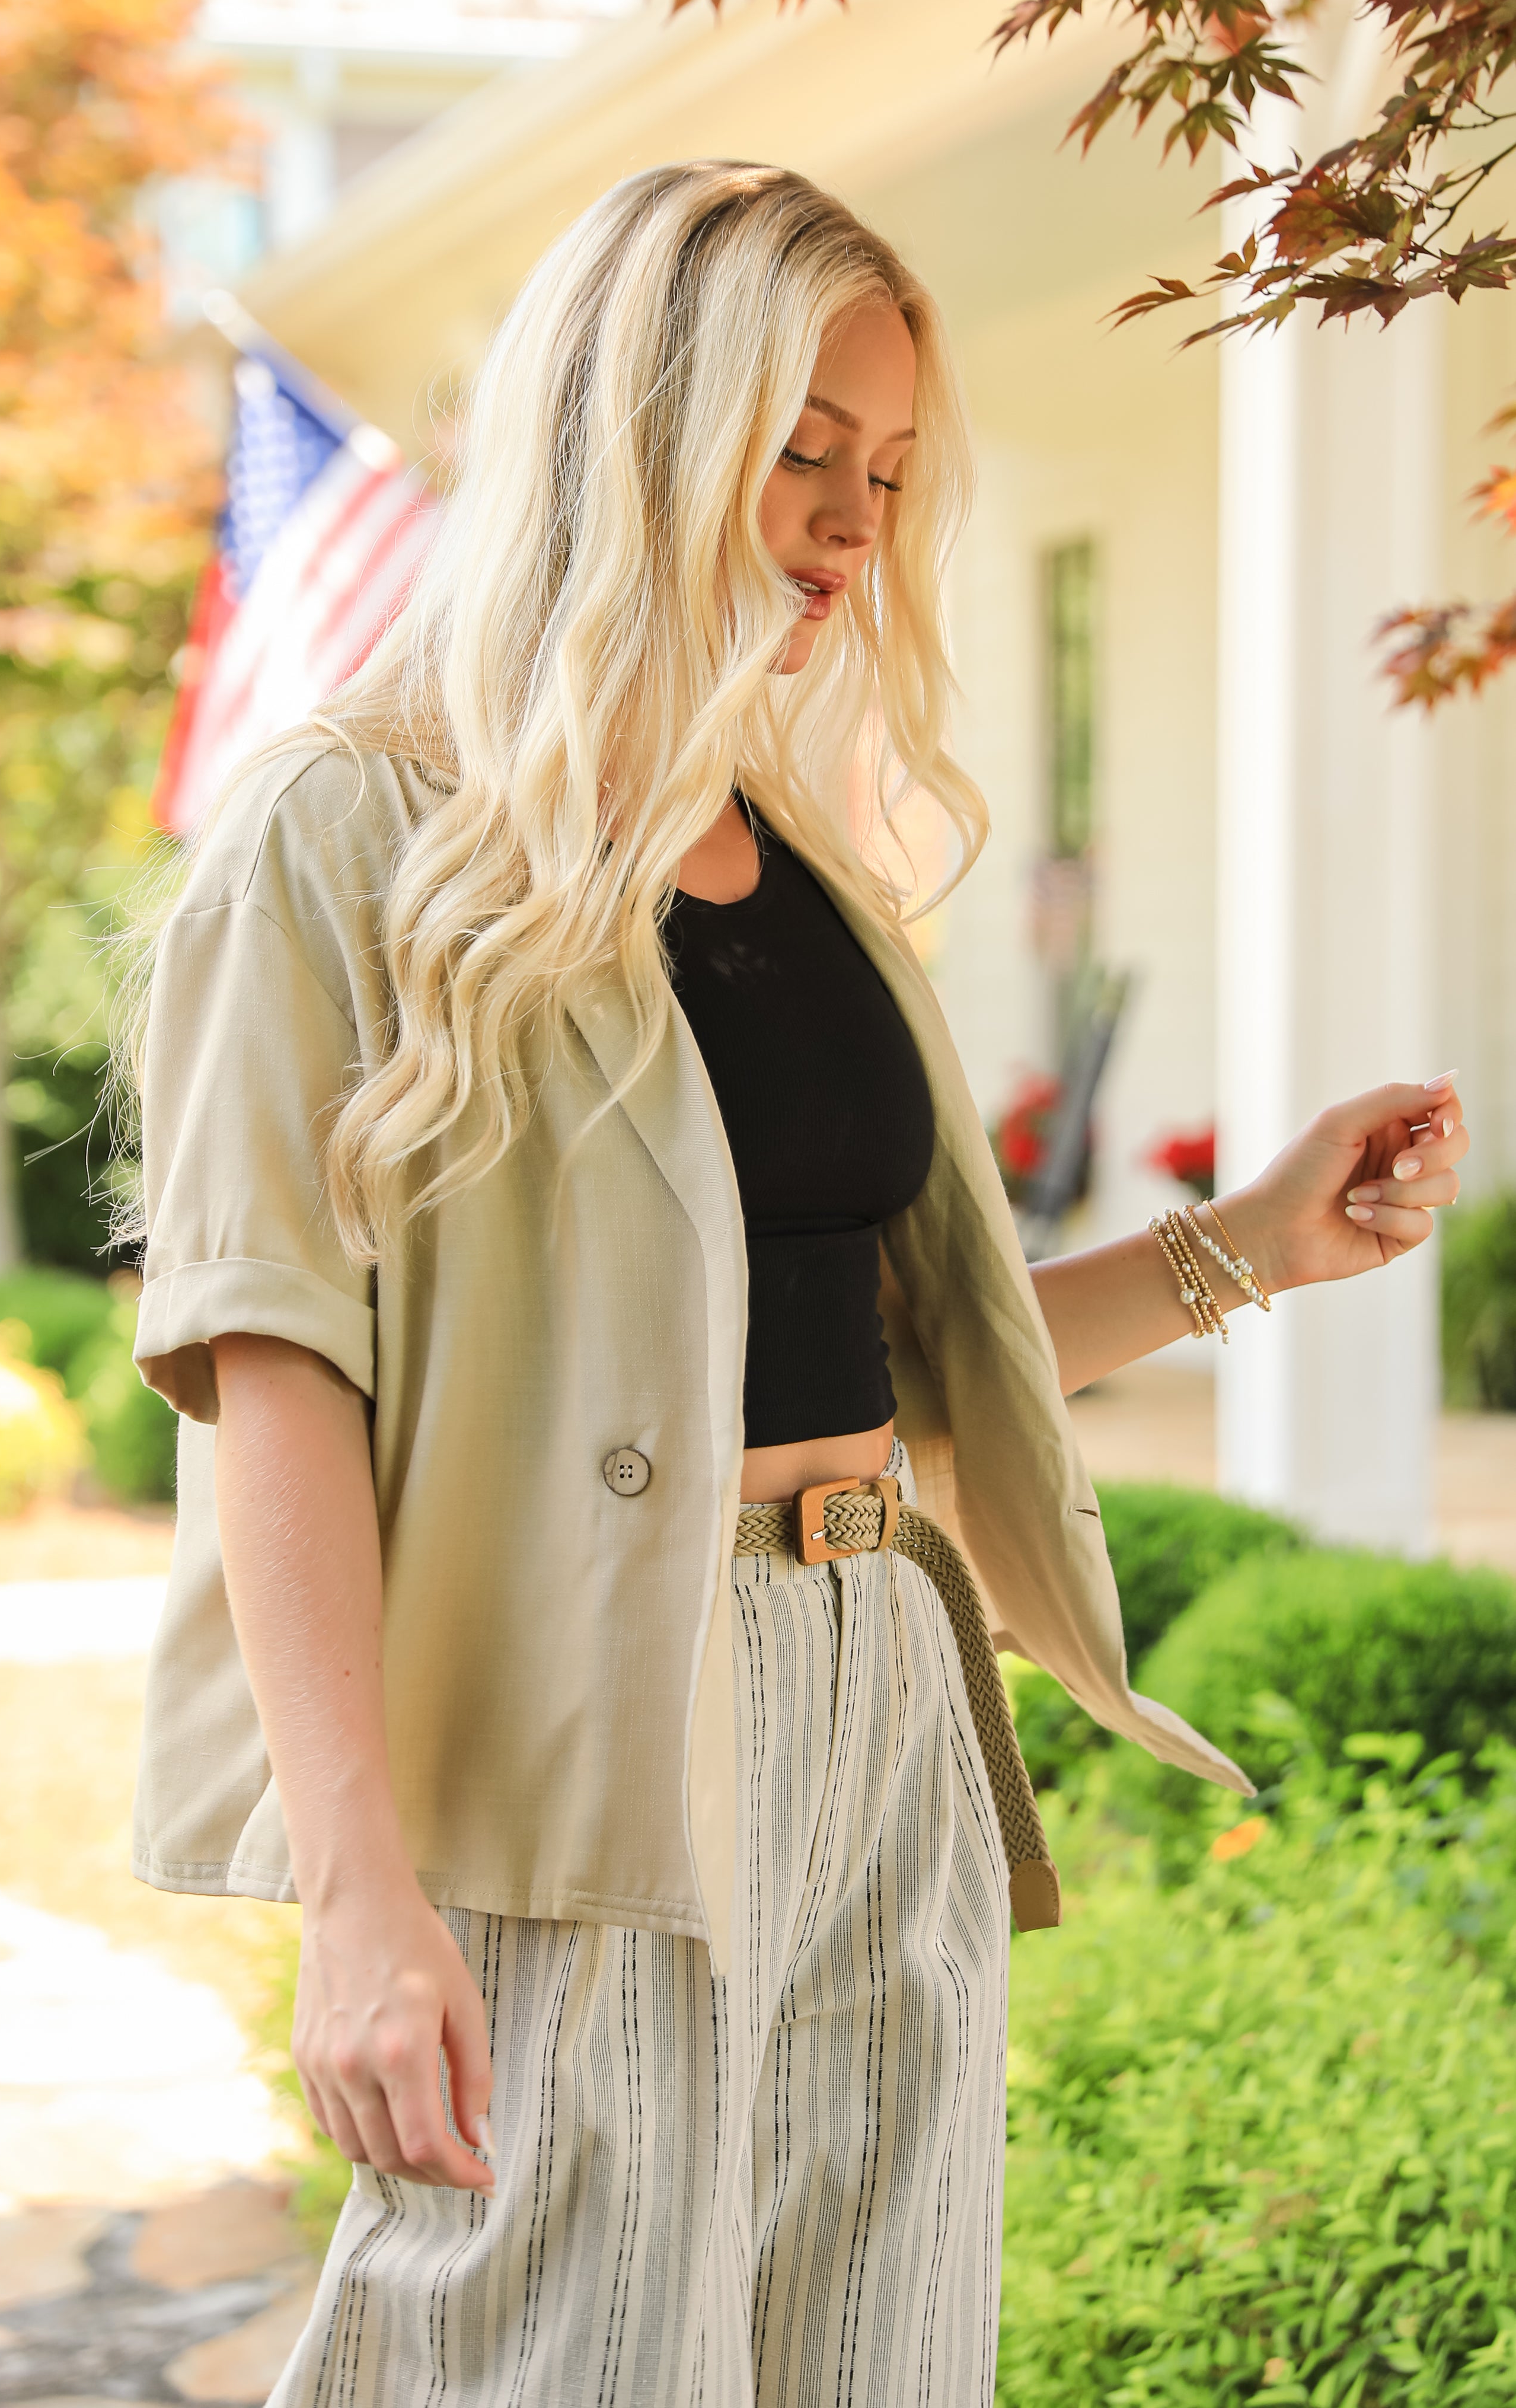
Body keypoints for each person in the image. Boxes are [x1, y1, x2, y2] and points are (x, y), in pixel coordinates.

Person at [125, 164, 1469, 2408]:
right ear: (634, 432)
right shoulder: (348, 836)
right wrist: (358, 1899)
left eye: (893, 473)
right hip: (597, 1712)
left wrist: (1256, 1245)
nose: (853, 526)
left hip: (882, 1679)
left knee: (879, 2360)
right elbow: (274, 1377)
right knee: (551, 2356)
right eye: (800, 455)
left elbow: (887, 1341)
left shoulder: (801, 852)